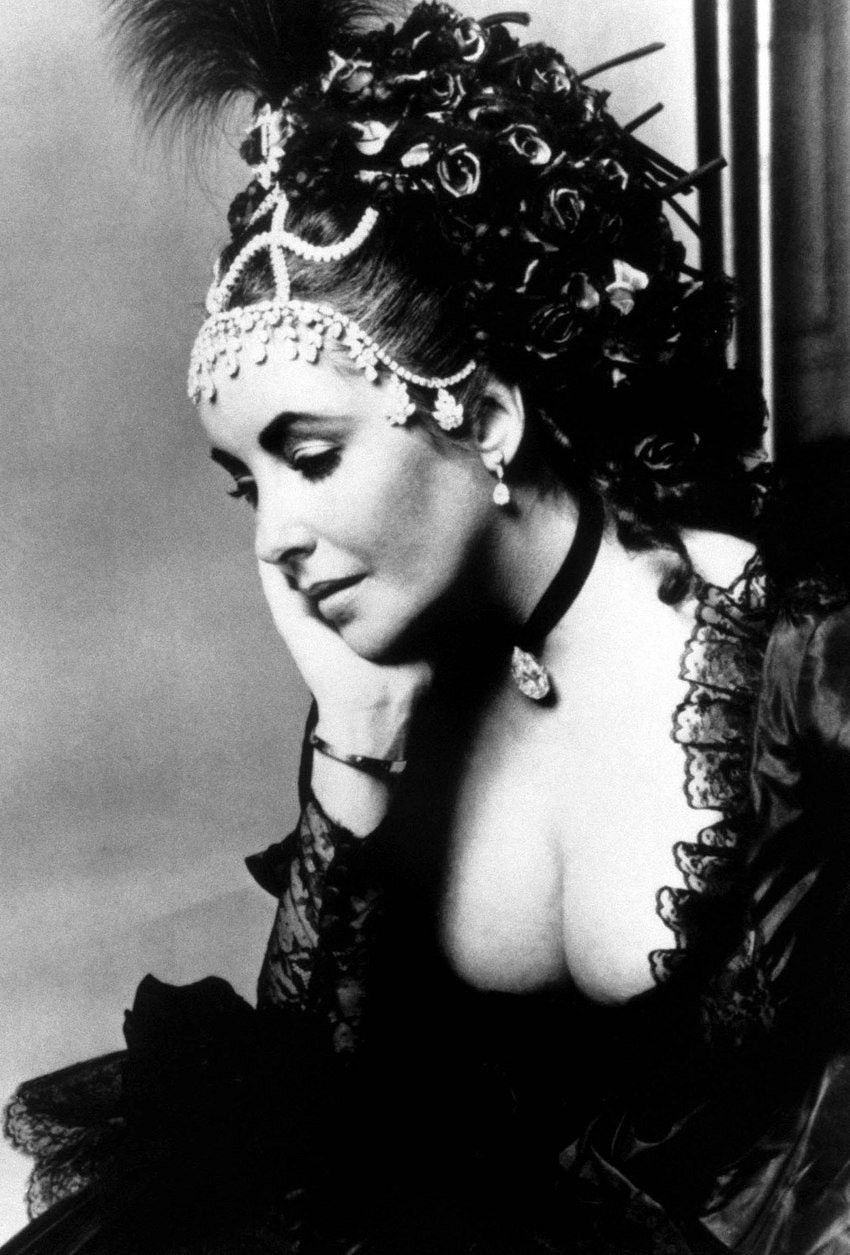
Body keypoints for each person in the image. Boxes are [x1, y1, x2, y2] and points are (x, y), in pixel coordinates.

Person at [4, 2, 850, 1252]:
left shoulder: (796, 658)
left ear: (488, 420)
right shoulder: (381, 681)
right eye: (247, 487)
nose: (272, 538)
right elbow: (294, 1143)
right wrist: (357, 739)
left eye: (309, 456)